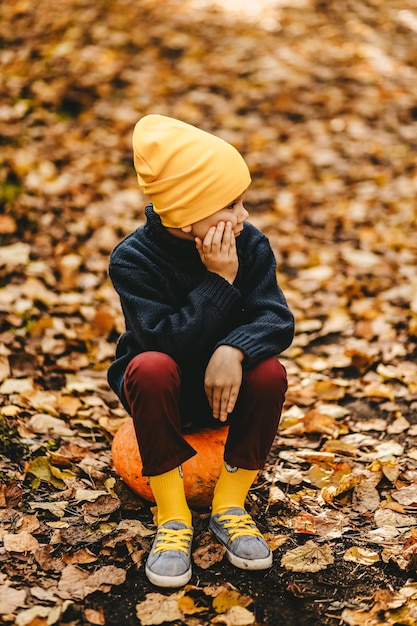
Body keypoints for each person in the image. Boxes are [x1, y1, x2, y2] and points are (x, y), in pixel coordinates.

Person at [107, 114, 294, 588]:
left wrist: (234, 348)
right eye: (230, 204)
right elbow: (162, 343)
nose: (244, 215)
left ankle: (228, 506)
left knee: (269, 370)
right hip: (163, 395)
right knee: (149, 366)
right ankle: (173, 519)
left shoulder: (248, 244)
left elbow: (276, 318)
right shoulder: (133, 260)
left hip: (226, 398)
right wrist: (219, 282)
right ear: (189, 213)